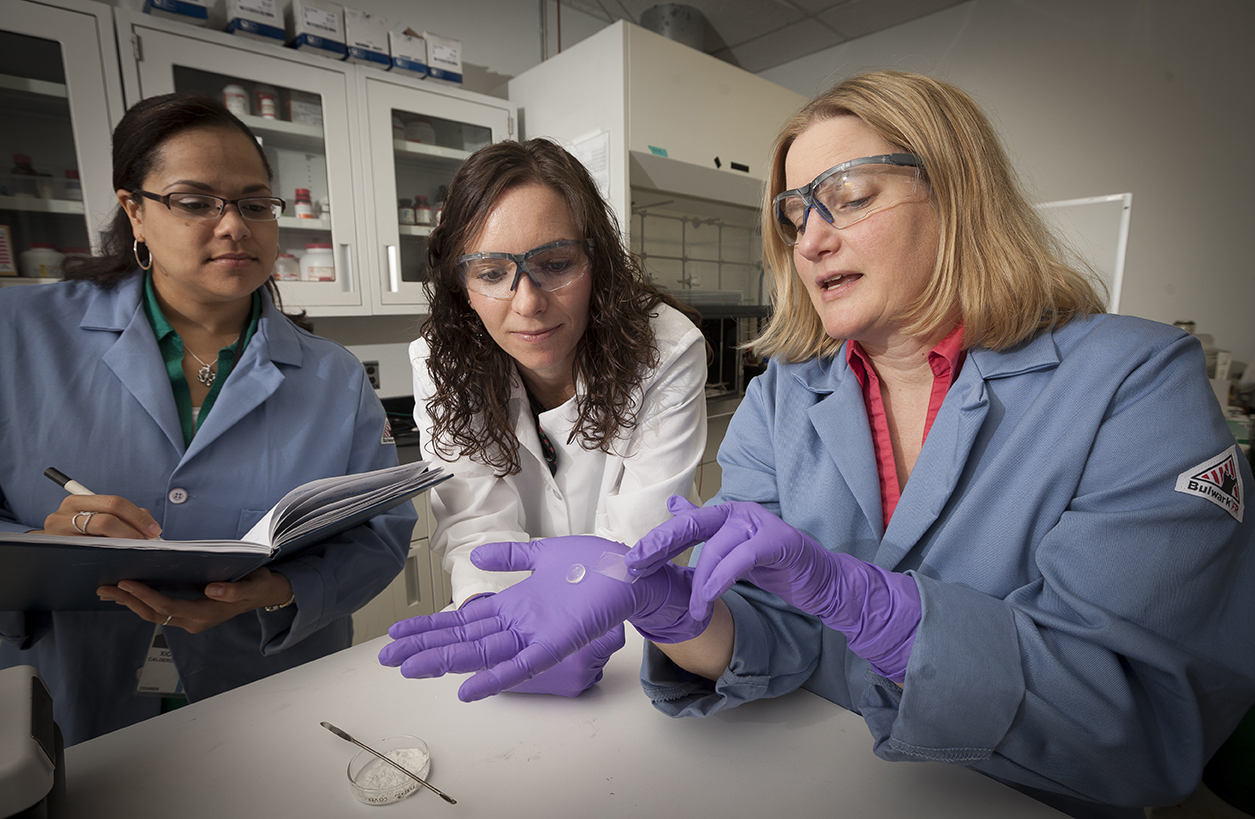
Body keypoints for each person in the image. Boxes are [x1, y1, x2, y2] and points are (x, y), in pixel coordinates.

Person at [378, 71, 1255, 818]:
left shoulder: (1134, 383)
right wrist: (689, 617)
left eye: (849, 197)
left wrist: (874, 608)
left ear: (959, 191)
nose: (812, 239)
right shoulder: (786, 398)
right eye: (796, 212)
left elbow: (1143, 726)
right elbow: (780, 641)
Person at [0, 94, 415, 745]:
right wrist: (39, 549)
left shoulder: (333, 373)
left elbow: (383, 534)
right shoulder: (18, 334)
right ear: (135, 210)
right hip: (74, 695)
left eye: (254, 204)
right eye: (196, 201)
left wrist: (276, 588)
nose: (234, 226)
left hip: (275, 694)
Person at [405, 138, 709, 696]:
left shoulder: (666, 345)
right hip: (512, 627)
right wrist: (500, 624)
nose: (527, 302)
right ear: (461, 284)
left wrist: (576, 622)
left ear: (597, 261)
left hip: (636, 643)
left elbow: (643, 532)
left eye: (555, 264)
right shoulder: (439, 362)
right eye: (492, 272)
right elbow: (475, 524)